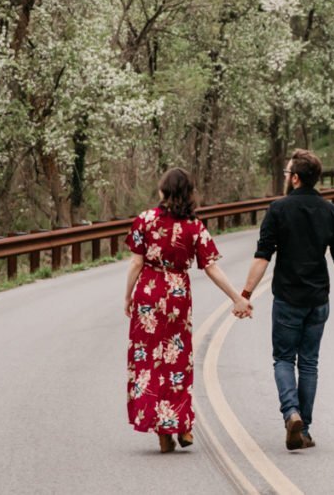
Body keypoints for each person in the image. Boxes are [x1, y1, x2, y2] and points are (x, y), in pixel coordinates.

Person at [240, 149, 334, 451]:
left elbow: (263, 256)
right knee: (309, 363)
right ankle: (304, 430)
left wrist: (245, 294)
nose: (285, 177)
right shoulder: (330, 212)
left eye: (286, 173)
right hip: (318, 298)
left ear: (295, 178)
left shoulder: (278, 209)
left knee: (284, 358)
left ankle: (291, 412)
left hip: (287, 297)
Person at [124, 167, 252, 453]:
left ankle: (162, 428)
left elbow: (135, 263)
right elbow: (211, 267)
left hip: (148, 292)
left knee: (148, 361)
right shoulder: (195, 226)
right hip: (177, 295)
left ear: (163, 191)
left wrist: (128, 296)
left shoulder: (144, 220)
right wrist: (236, 298)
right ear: (188, 193)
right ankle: (180, 423)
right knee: (176, 359)